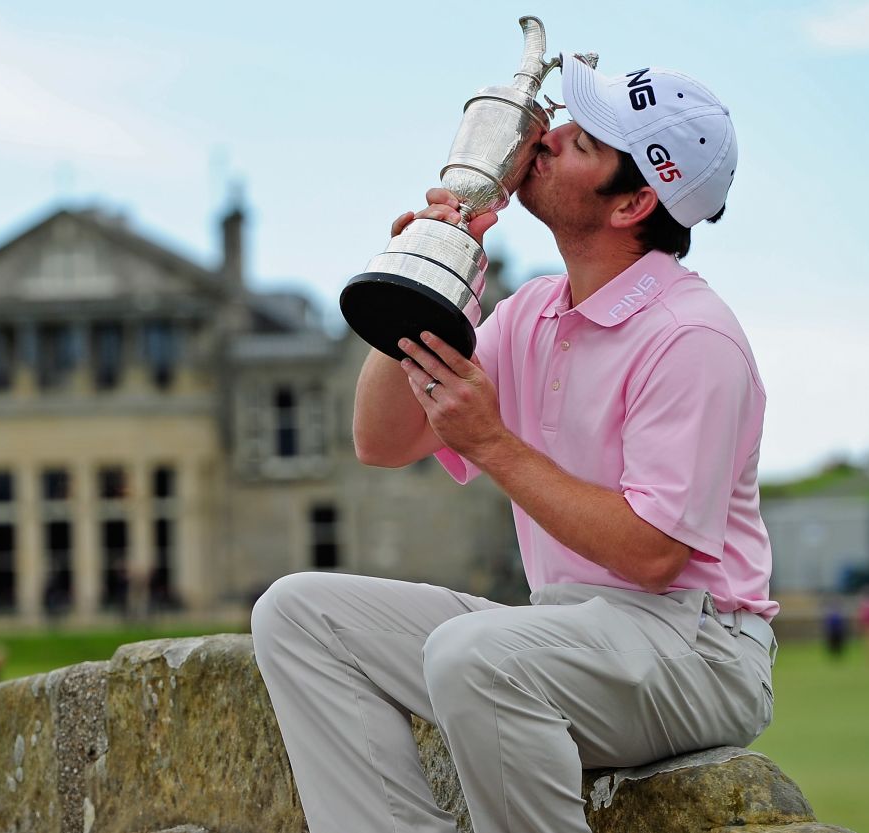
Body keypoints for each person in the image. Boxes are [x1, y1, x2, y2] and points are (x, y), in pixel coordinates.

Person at [253, 56, 775, 833]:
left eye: (585, 140)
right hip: (564, 630)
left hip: (699, 647)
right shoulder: (533, 310)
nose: (549, 135)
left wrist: (494, 444)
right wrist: (429, 272)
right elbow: (381, 439)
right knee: (297, 613)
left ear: (634, 201)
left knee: (474, 653)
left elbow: (655, 553)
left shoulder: (692, 336)